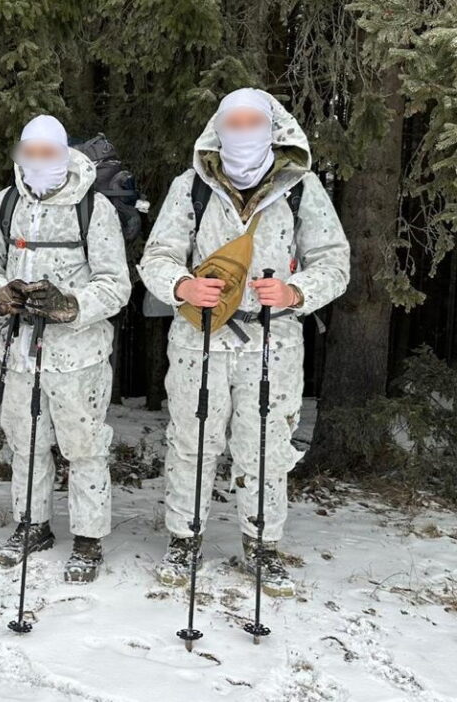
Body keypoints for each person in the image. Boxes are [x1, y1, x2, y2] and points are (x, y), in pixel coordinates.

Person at [139, 88, 350, 597]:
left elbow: (334, 261)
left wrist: (296, 292)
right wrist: (182, 286)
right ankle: (184, 540)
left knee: (267, 448)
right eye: (233, 123)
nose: (243, 132)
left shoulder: (300, 188)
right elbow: (156, 256)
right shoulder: (191, 186)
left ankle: (262, 545)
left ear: (273, 129)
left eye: (253, 122)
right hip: (199, 339)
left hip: (272, 340)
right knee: (191, 443)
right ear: (217, 128)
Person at [0, 115, 132, 583]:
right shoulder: (4, 205)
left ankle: (88, 538)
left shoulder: (93, 208)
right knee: (25, 444)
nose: (38, 161)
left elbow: (116, 284)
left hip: (78, 356)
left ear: (64, 154)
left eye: (48, 153)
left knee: (84, 448)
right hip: (18, 351)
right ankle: (32, 525)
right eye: (30, 152)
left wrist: (71, 305)